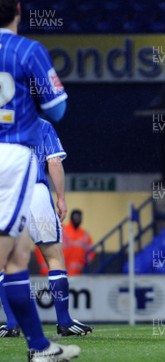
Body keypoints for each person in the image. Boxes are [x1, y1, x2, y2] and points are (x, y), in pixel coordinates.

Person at [0, 0, 80, 359]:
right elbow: (58, 109)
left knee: (16, 257)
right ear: (17, 9)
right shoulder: (27, 51)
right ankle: (58, 326)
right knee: (28, 255)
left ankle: (37, 345)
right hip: (16, 163)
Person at [1, 120, 93, 338]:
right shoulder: (41, 125)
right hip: (36, 193)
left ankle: (12, 323)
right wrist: (61, 198)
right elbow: (54, 162)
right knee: (53, 256)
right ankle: (64, 321)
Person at [62, 210, 94, 276]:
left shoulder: (84, 234)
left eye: (79, 217)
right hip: (62, 269)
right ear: (71, 218)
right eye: (76, 217)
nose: (78, 219)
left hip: (78, 272)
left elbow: (91, 249)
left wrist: (85, 261)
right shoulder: (63, 230)